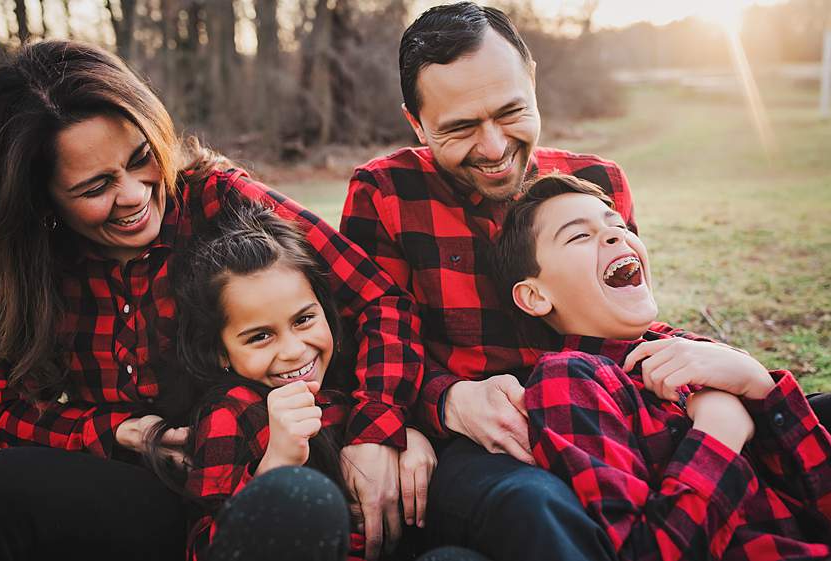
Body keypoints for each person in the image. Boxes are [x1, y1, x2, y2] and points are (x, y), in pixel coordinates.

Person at [0, 40, 426, 561]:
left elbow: (379, 299)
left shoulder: (220, 199)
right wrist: (118, 432)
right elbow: (6, 404)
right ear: (43, 201)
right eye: (96, 187)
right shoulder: (27, 266)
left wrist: (375, 431)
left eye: (141, 158)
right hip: (137, 491)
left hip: (262, 475)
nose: (134, 195)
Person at [341, 3, 629, 559]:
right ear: (417, 124)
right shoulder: (385, 194)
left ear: (533, 83)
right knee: (534, 504)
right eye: (460, 128)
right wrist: (444, 400)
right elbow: (366, 344)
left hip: (594, 414)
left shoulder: (597, 183)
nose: (494, 148)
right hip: (472, 451)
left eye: (510, 112)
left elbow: (626, 324)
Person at [490, 173, 831, 560]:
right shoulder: (570, 378)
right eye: (578, 236)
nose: (616, 236)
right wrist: (719, 431)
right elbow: (647, 553)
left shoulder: (688, 347)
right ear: (535, 296)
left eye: (616, 226)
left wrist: (758, 385)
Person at [145, 200, 482, 561]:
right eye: (260, 336)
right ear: (220, 352)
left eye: (304, 320)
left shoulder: (350, 384)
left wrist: (409, 437)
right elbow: (206, 549)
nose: (293, 350)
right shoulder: (231, 414)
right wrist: (277, 462)